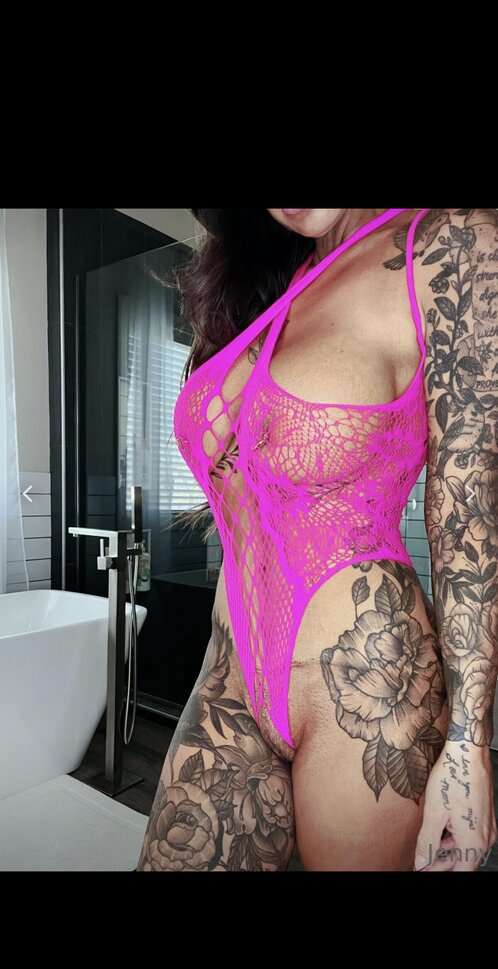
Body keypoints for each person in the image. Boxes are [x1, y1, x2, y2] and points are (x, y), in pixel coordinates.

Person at [136, 208, 498, 872]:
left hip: (369, 688)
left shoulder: (449, 240)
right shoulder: (268, 286)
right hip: (230, 675)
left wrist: (469, 742)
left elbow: (468, 505)